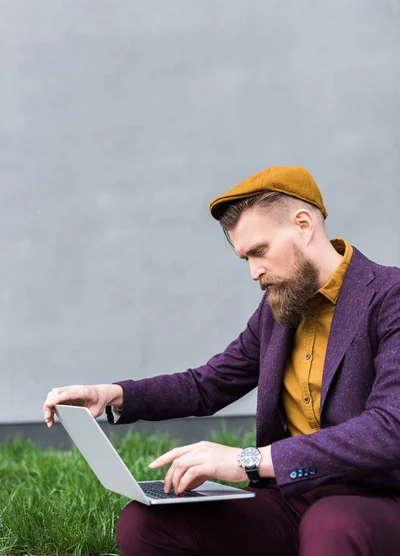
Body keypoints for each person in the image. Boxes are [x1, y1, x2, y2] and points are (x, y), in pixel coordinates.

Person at [43, 166, 400, 556]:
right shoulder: (279, 309)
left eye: (259, 251)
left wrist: (247, 461)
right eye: (245, 257)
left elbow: (390, 428)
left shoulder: (389, 297)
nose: (253, 272)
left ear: (303, 225)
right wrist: (111, 395)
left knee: (330, 524)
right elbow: (207, 385)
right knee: (145, 525)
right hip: (291, 497)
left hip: (377, 500)